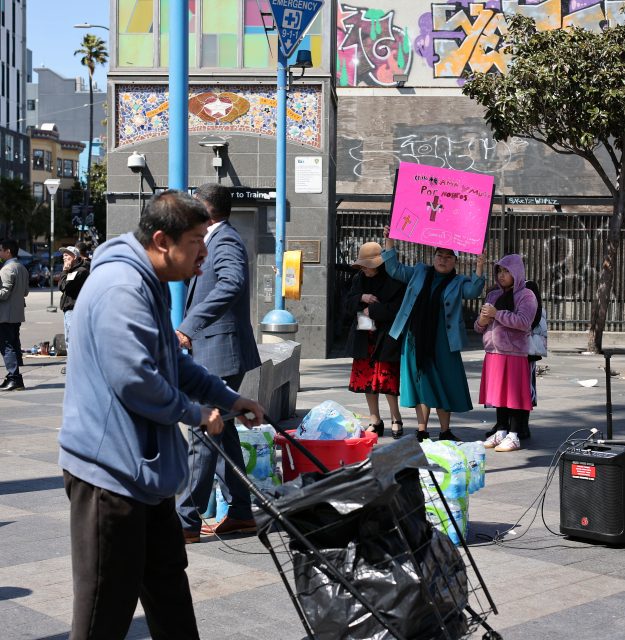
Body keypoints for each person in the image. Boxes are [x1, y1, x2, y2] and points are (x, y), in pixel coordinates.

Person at [58, 190, 264, 639]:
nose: (205, 253)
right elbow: (136, 379)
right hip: (108, 477)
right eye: (195, 240)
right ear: (161, 240)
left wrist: (229, 399)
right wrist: (195, 413)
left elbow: (174, 360)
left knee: (169, 590)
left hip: (145, 475)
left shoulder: (145, 279)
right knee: (102, 612)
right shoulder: (121, 287)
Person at [176, 184, 262, 543]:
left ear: (205, 208)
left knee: (201, 432)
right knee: (221, 433)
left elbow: (232, 284)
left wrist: (191, 326)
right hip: (217, 349)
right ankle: (241, 513)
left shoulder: (224, 240)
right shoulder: (213, 239)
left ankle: (185, 521)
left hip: (221, 351)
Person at [382, 226, 485, 442]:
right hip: (415, 339)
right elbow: (394, 270)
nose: (443, 260)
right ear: (434, 256)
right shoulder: (419, 271)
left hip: (444, 342)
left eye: (449, 257)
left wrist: (479, 265)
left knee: (444, 383)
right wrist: (389, 242)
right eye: (440, 255)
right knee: (422, 383)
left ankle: (445, 430)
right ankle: (421, 430)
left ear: (455, 262)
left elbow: (474, 291)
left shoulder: (458, 282)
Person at [475, 254, 538, 452]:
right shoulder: (493, 295)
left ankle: (514, 434)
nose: (502, 275)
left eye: (507, 271)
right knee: (498, 395)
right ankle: (501, 431)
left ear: (517, 272)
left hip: (514, 353)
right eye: (499, 271)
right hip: (493, 352)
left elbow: (524, 322)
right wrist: (482, 322)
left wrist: (497, 314)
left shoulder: (526, 295)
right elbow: (479, 326)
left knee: (515, 395)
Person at [345, 241, 406, 438]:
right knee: (367, 381)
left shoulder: (394, 280)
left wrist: (372, 310)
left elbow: (397, 309)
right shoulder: (358, 279)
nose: (364, 269)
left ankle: (396, 418)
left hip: (385, 337)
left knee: (387, 380)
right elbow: (345, 303)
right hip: (364, 336)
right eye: (362, 265)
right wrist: (361, 298)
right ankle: (375, 420)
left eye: (367, 265)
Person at [0, 239, 29, 391]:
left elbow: (4, 294)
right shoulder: (22, 267)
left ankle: (14, 377)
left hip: (5, 315)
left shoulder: (7, 269)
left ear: (8, 251)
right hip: (17, 314)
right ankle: (13, 377)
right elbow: (26, 292)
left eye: (0, 250)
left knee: (6, 345)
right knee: (13, 343)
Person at [58, 245, 90, 372]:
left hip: (74, 309)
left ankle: (74, 365)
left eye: (67, 255)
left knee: (72, 339)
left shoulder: (81, 271)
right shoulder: (72, 271)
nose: (64, 257)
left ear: (75, 257)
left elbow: (64, 287)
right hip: (68, 309)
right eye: (63, 255)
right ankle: (73, 363)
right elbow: (62, 285)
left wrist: (65, 271)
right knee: (68, 339)